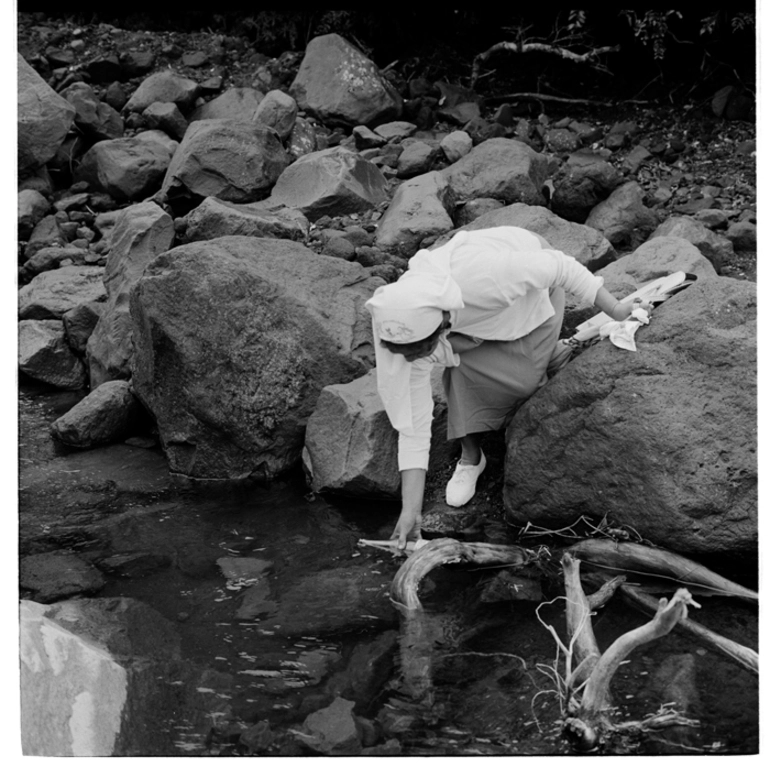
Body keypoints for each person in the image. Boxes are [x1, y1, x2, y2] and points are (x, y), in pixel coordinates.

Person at [364, 226, 652, 549]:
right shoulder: (400, 326)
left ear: (438, 327)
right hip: (468, 329)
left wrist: (615, 309)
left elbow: (561, 266)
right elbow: (414, 426)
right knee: (459, 369)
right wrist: (410, 511)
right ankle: (472, 456)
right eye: (408, 356)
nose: (413, 360)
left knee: (523, 381)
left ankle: (548, 351)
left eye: (422, 352)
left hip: (530, 303)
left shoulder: (485, 279)